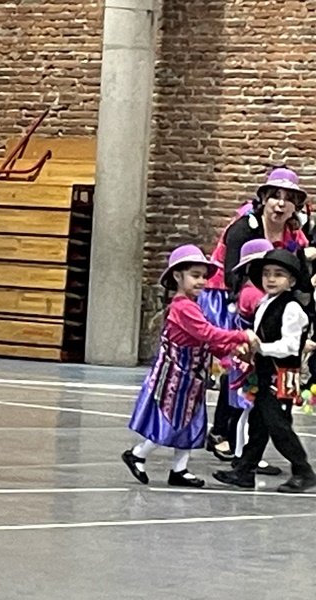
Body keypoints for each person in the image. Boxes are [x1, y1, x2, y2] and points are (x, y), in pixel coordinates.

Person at [122, 245, 257, 488]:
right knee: (170, 422)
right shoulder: (182, 307)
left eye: (204, 276)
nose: (202, 281)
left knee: (191, 423)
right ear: (177, 276)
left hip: (192, 379)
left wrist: (228, 355)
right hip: (174, 378)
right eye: (195, 275)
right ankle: (138, 453)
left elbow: (207, 342)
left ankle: (179, 469)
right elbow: (207, 333)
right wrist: (240, 336)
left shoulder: (193, 305)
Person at [204, 167, 311, 460]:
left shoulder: (293, 234)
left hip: (267, 300)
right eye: (275, 196)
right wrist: (264, 307)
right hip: (229, 297)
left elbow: (300, 276)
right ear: (263, 199)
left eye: (288, 198)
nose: (280, 204)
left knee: (259, 369)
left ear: (296, 205)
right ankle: (221, 432)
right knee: (238, 363)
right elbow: (233, 277)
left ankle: (247, 446)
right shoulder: (244, 228)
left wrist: (302, 311)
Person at [214, 249, 316, 493]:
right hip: (264, 373)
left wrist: (260, 347)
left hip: (282, 375)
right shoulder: (264, 304)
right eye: (267, 274)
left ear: (292, 280)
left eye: (278, 274)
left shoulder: (292, 308)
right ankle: (245, 470)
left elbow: (291, 346)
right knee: (258, 424)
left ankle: (303, 470)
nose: (271, 279)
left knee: (278, 425)